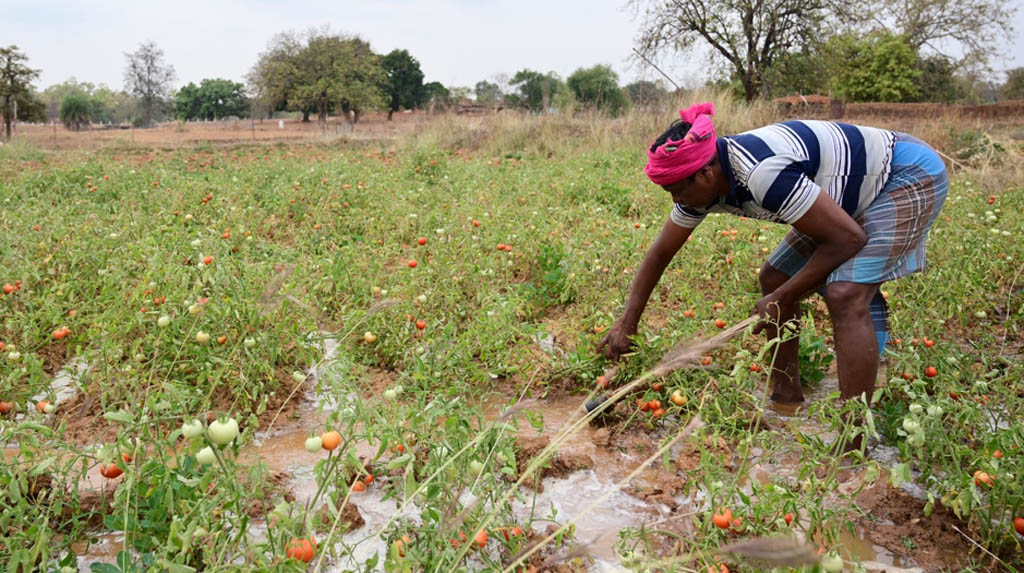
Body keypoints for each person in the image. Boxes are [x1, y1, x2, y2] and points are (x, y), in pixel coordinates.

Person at [598, 102, 948, 404]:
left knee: (846, 293)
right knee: (774, 276)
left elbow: (848, 240)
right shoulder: (701, 186)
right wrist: (627, 323)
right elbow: (660, 253)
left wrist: (782, 297)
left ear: (705, 173)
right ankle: (786, 396)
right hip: (844, 197)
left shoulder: (761, 172)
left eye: (675, 191)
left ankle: (851, 441)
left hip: (904, 174)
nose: (674, 200)